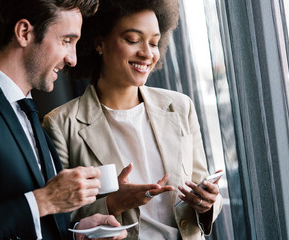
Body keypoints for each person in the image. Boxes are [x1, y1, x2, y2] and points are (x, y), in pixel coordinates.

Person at [0, 0, 128, 239]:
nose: (72, 59)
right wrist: (42, 201)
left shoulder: (30, 113)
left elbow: (36, 221)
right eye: (66, 41)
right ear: (24, 32)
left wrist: (78, 232)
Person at [43, 0, 223, 239]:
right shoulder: (61, 124)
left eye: (154, 43)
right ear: (100, 43)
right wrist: (113, 204)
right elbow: (59, 219)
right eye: (132, 39)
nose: (147, 54)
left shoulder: (180, 107)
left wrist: (208, 202)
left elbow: (202, 185)